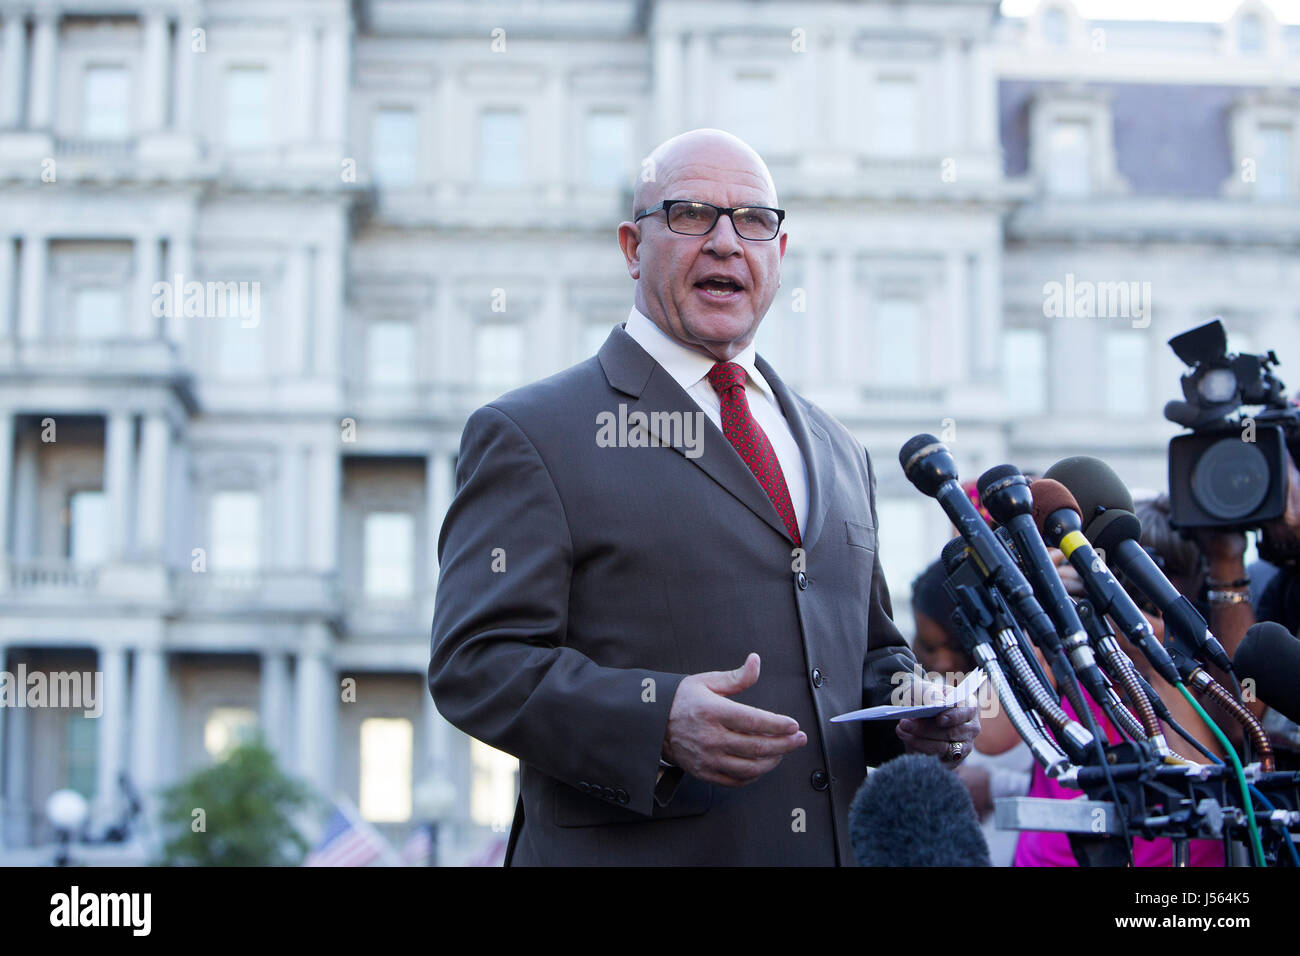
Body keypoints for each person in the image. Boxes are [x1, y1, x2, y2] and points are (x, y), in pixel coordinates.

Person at [428, 128, 980, 865]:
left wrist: (916, 710)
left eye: (754, 221)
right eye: (690, 214)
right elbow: (476, 662)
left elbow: (867, 658)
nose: (726, 242)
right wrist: (655, 720)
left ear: (778, 256)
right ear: (631, 246)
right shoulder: (533, 433)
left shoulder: (841, 450)